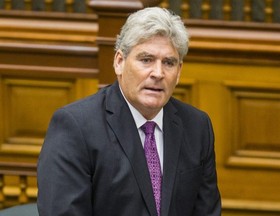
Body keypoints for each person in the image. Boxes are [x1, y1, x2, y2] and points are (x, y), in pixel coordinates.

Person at [37, 7, 221, 216]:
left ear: (178, 72)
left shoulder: (197, 126)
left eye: (168, 63)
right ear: (119, 62)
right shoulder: (75, 127)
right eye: (146, 60)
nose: (158, 73)